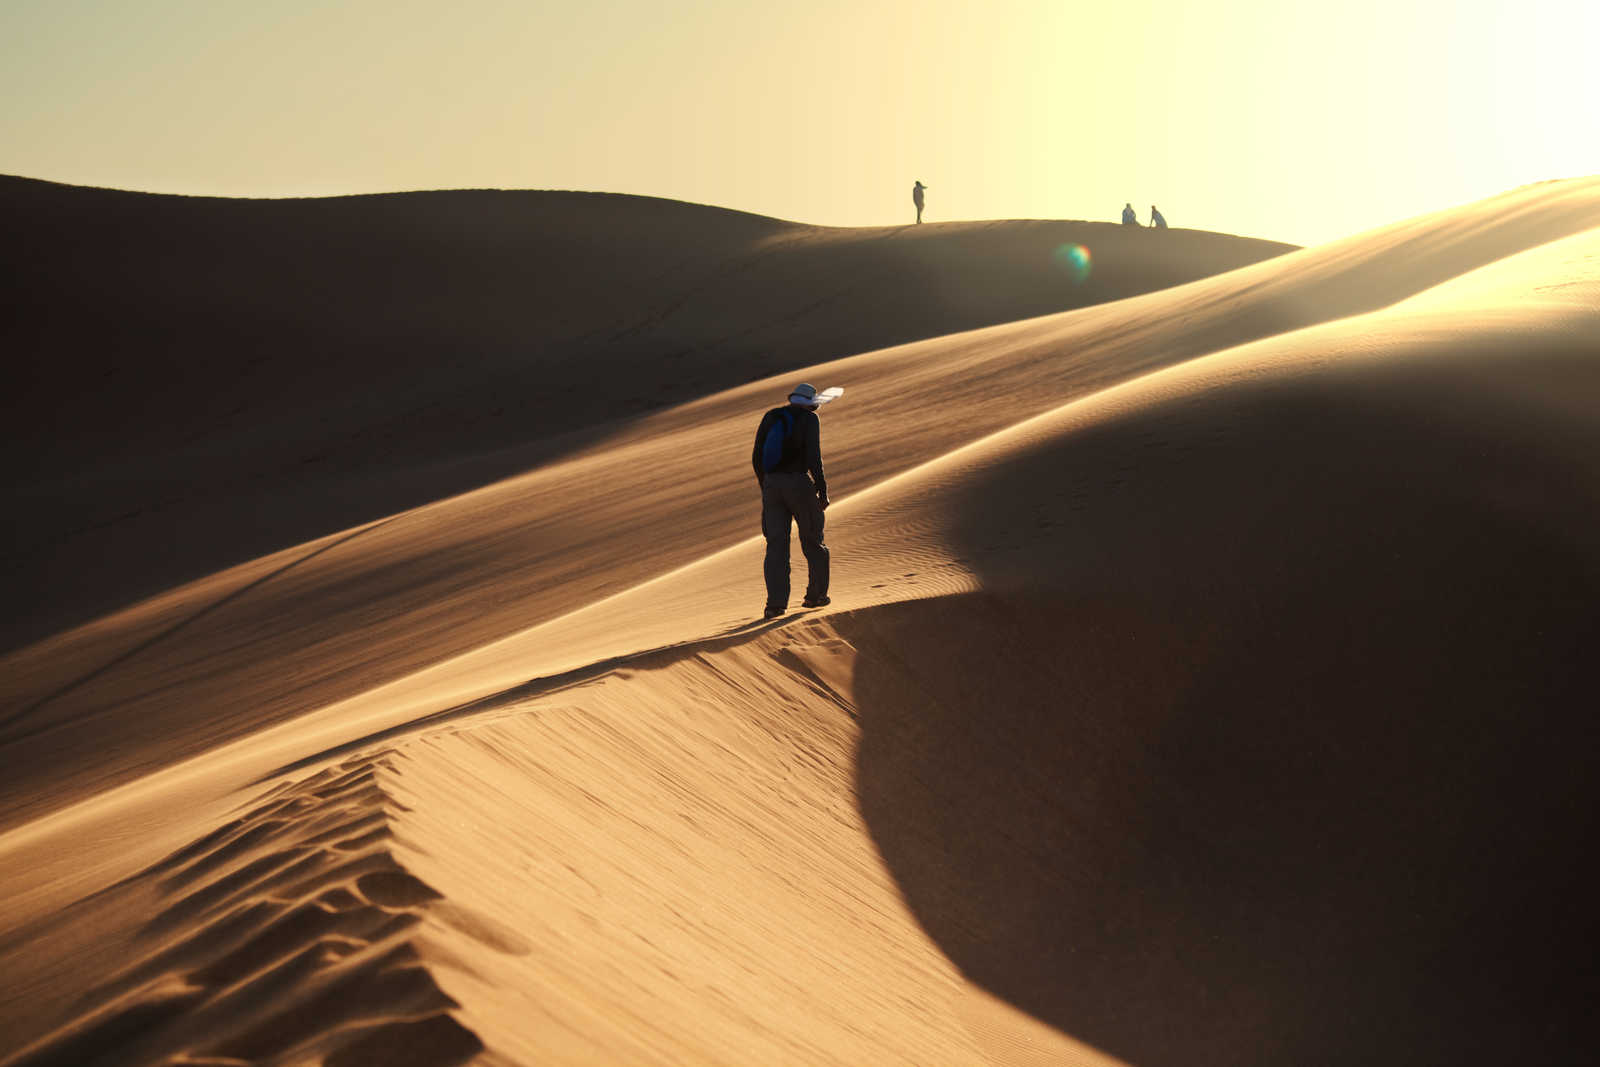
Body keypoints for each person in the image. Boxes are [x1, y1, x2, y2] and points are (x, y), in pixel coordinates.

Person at [752, 383, 831, 618]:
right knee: (812, 540)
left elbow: (757, 455)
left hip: (772, 486)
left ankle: (775, 605)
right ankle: (815, 595)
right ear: (809, 402)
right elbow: (813, 456)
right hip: (797, 482)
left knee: (776, 546)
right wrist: (822, 489)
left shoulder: (772, 416)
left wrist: (766, 485)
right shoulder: (809, 420)